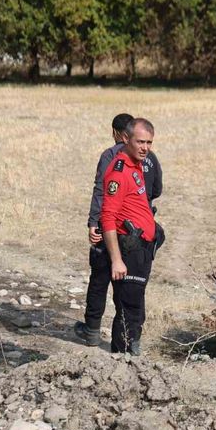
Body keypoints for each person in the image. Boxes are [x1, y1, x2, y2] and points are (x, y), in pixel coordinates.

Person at [75, 114, 163, 349]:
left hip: (140, 247)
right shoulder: (119, 169)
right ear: (125, 139)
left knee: (132, 304)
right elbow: (108, 214)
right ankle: (121, 357)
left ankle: (126, 350)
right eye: (140, 142)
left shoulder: (139, 163)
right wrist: (116, 259)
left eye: (149, 143)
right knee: (125, 303)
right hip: (126, 245)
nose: (145, 148)